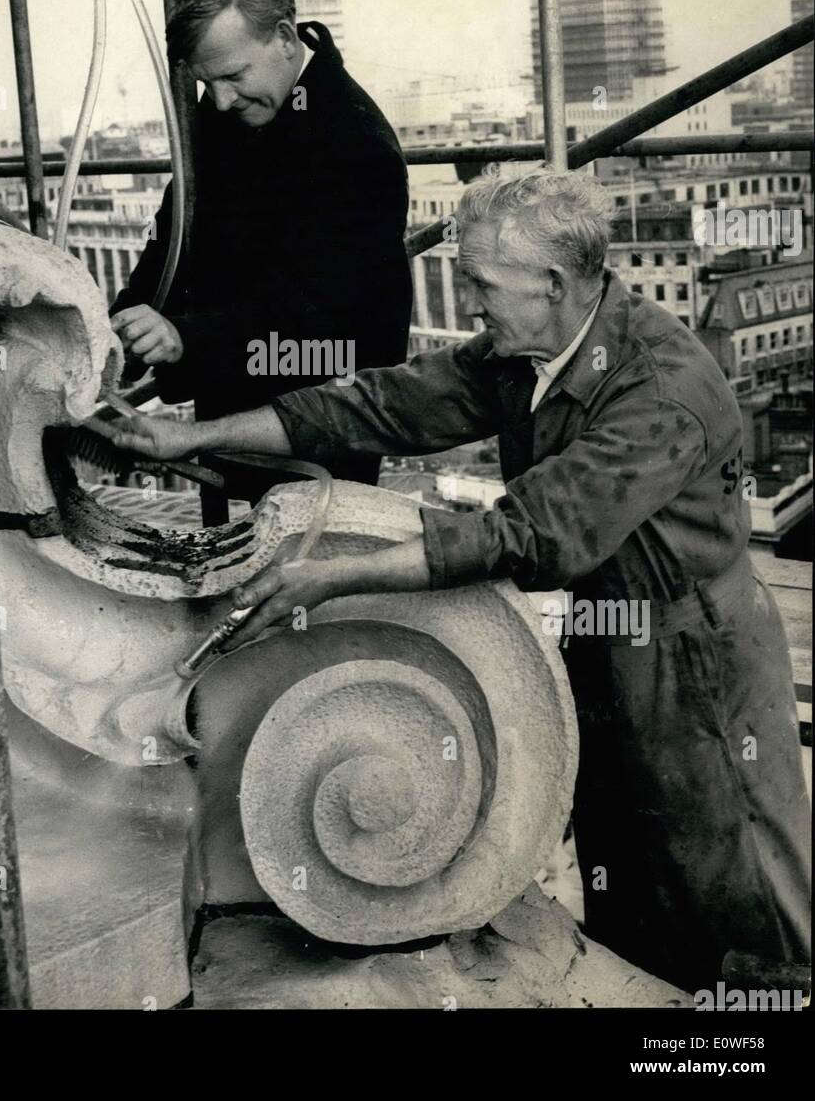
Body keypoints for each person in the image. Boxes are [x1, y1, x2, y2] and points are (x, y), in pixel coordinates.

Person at [109, 163, 811, 996]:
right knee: (629, 888)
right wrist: (190, 437)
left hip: (696, 665)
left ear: (550, 282)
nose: (468, 298)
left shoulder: (661, 388)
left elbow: (532, 535)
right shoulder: (530, 350)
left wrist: (330, 580)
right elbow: (381, 406)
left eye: (480, 281)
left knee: (739, 902)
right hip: (605, 644)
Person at [109, 0, 412, 497]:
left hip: (321, 417)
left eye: (232, 76)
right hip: (230, 393)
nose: (221, 100)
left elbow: (324, 311)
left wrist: (185, 335)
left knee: (301, 564)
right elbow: (179, 224)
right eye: (207, 83)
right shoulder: (240, 102)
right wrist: (134, 314)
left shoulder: (355, 144)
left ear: (284, 38)